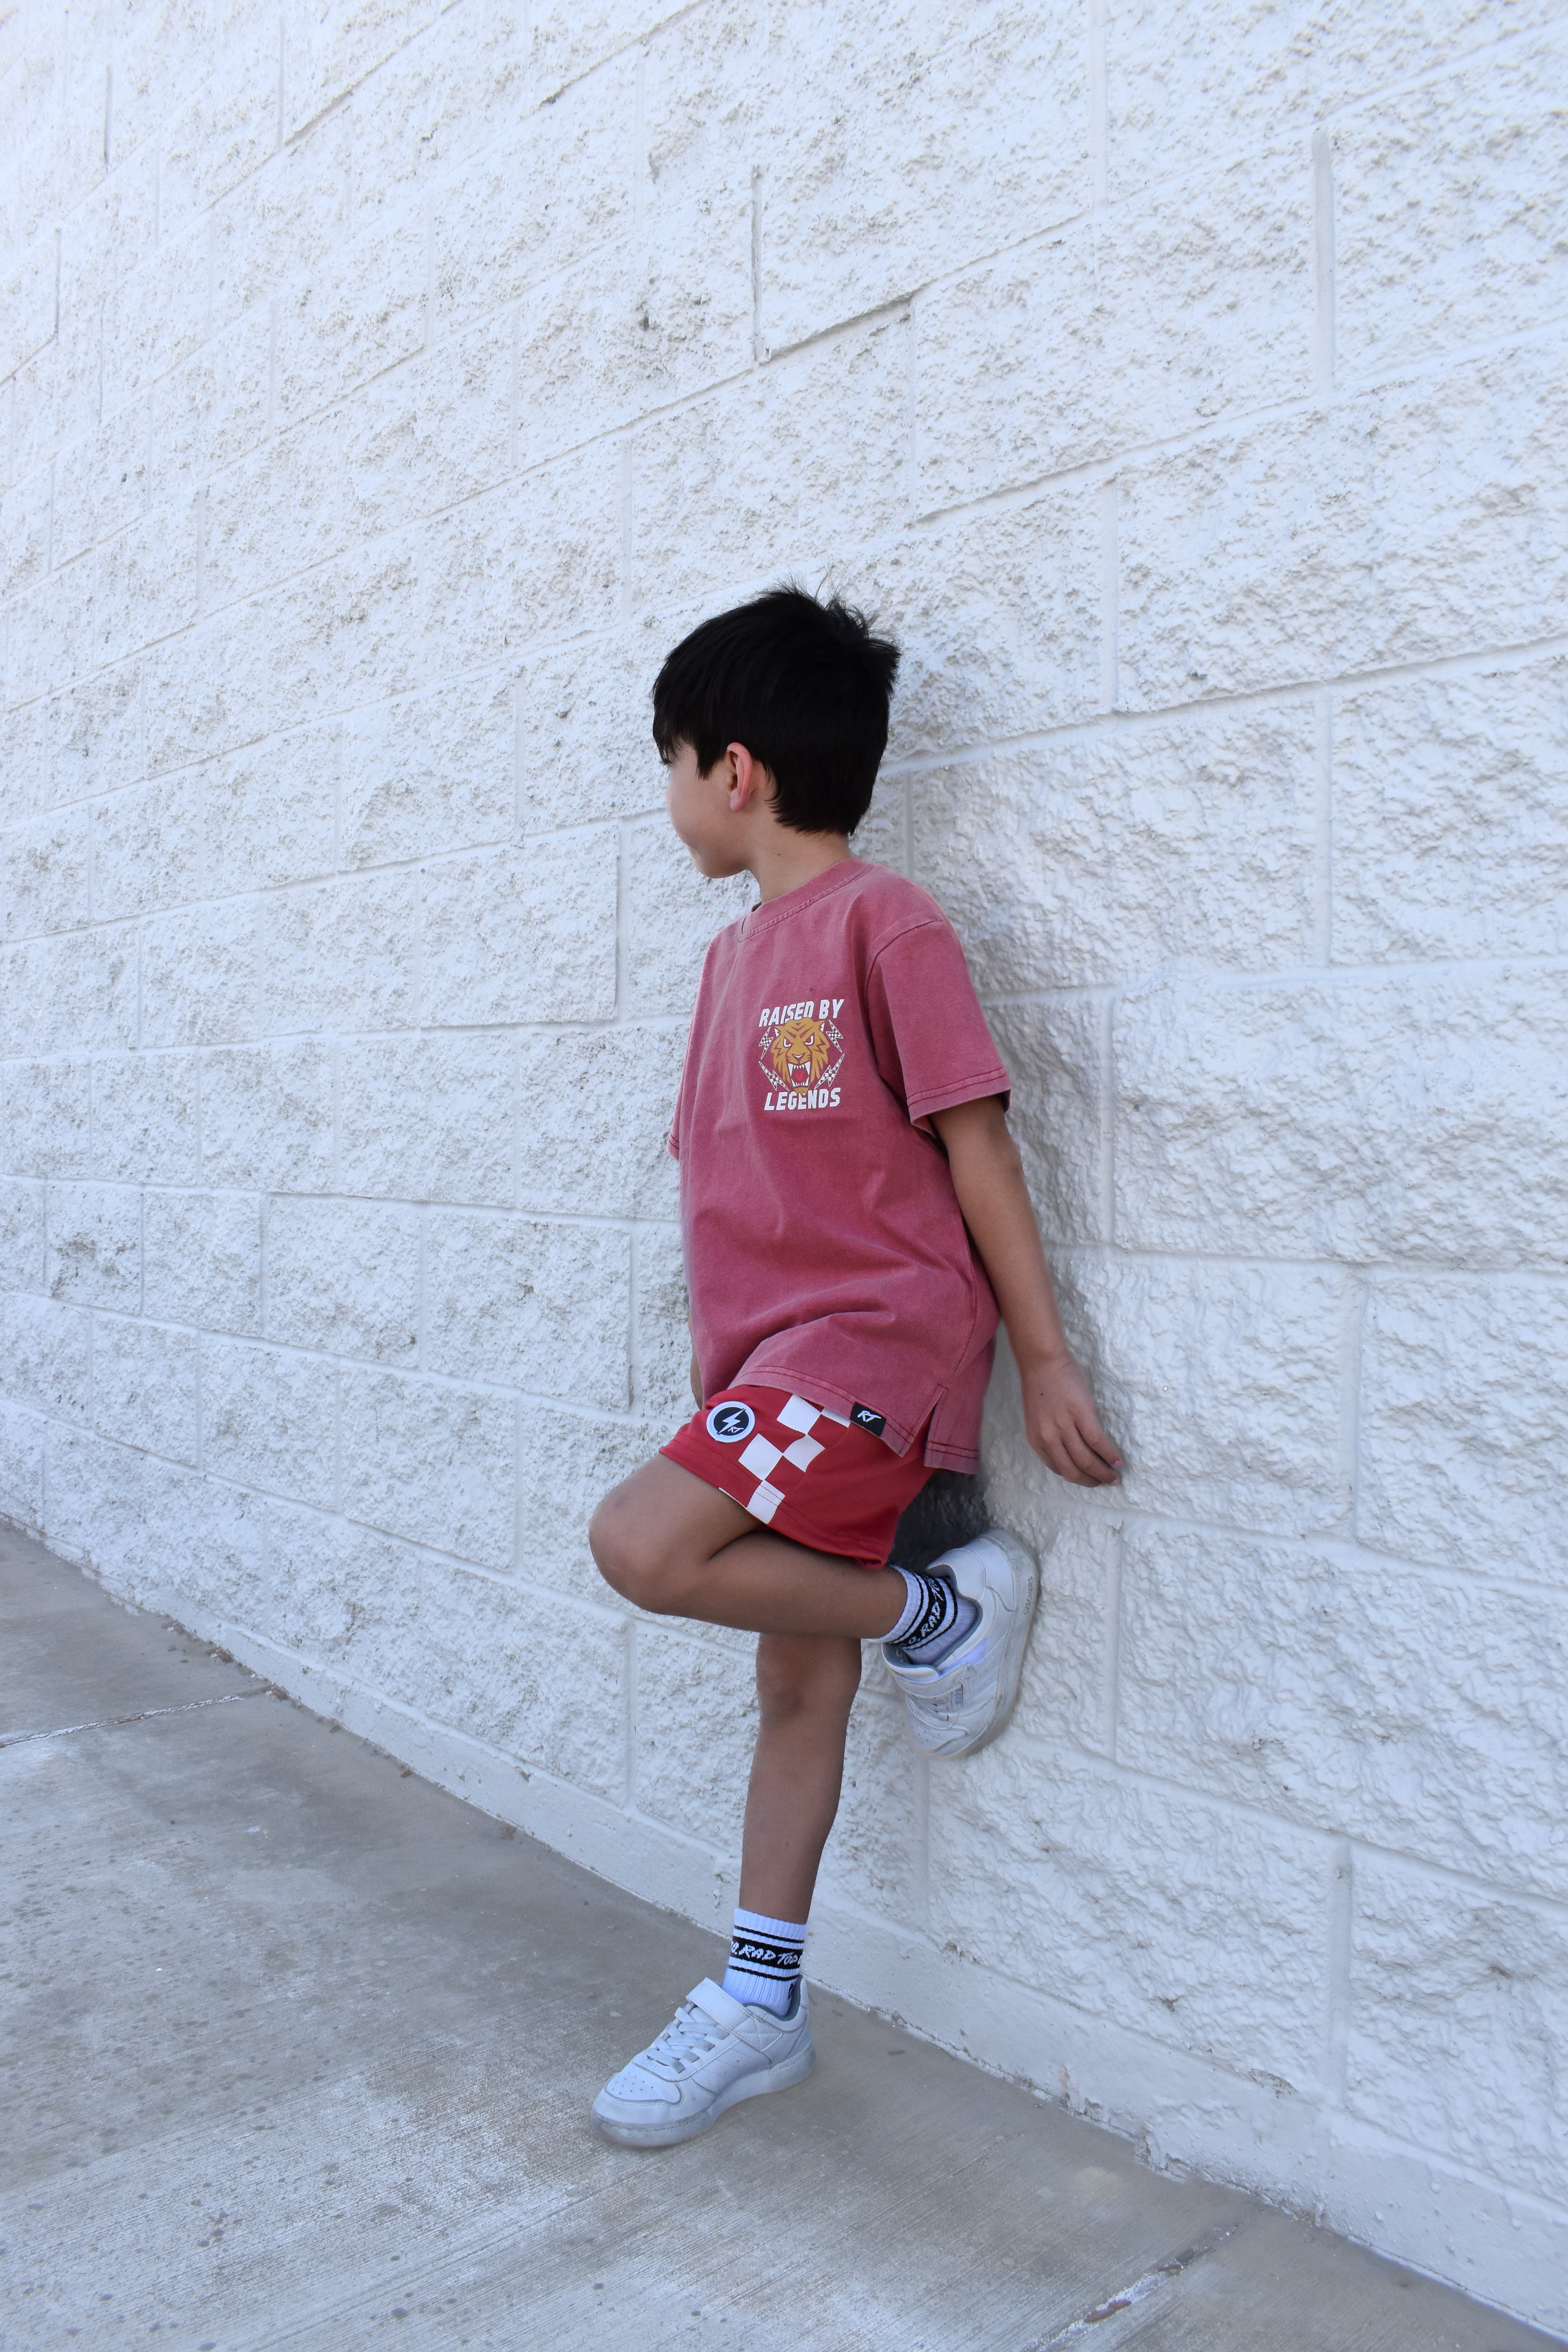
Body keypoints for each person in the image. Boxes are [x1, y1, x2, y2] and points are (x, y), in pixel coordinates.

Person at [588, 586, 1121, 2148]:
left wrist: (1040, 1358)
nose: (670, 796)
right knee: (790, 1677)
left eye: (671, 762)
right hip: (765, 1374)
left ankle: (938, 1606)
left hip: (865, 1357)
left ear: (732, 770)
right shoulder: (726, 966)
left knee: (642, 1542)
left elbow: (975, 1144)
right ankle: (761, 1998)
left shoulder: (885, 923)